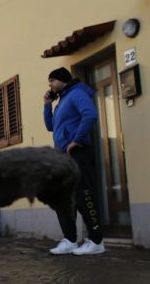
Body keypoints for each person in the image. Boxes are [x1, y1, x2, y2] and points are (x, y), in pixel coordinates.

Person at [43, 67, 105, 255]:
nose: (50, 85)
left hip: (77, 153)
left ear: (62, 80)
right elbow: (50, 126)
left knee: (83, 195)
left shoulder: (77, 93)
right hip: (63, 156)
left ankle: (96, 241)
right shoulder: (62, 100)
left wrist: (76, 140)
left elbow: (91, 114)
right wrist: (47, 105)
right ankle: (70, 239)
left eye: (52, 81)